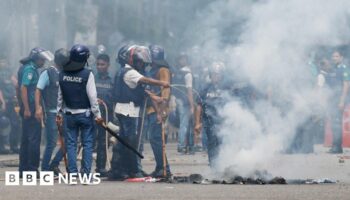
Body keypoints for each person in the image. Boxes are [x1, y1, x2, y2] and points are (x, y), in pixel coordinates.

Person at [109, 45, 169, 180]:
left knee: (123, 142)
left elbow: (141, 90)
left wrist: (154, 97)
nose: (141, 65)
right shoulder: (131, 72)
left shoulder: (124, 71)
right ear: (132, 60)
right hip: (129, 111)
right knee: (131, 143)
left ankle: (118, 170)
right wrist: (162, 83)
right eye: (139, 62)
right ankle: (133, 170)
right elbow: (146, 81)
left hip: (124, 110)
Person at [56, 44, 104, 176]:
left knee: (71, 144)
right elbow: (93, 97)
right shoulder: (87, 74)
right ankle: (86, 173)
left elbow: (60, 96)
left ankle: (72, 172)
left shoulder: (62, 73)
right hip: (85, 115)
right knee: (87, 144)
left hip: (69, 115)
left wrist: (59, 113)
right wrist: (98, 115)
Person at [17, 47, 53, 176]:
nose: (43, 62)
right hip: (31, 107)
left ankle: (23, 169)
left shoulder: (24, 67)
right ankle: (32, 169)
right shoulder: (30, 69)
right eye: (42, 59)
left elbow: (19, 86)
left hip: (27, 106)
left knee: (26, 139)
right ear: (36, 59)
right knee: (34, 139)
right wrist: (27, 108)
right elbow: (23, 88)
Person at [35, 48, 69, 174]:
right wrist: (38, 108)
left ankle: (53, 165)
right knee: (52, 143)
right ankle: (45, 169)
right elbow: (38, 89)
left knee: (71, 141)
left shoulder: (65, 73)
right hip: (52, 113)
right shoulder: (48, 73)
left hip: (66, 112)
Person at [144, 45, 172, 177]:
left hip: (157, 109)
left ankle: (164, 168)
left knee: (156, 139)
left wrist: (162, 109)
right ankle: (160, 167)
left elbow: (166, 89)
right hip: (151, 108)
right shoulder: (153, 69)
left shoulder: (163, 69)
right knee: (154, 139)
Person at [194, 62, 227, 167]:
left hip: (223, 122)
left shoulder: (226, 88)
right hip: (209, 122)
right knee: (212, 144)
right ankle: (214, 166)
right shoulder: (205, 88)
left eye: (217, 74)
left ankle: (224, 164)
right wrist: (197, 123)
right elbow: (199, 105)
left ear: (222, 75)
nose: (215, 76)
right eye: (213, 74)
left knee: (223, 144)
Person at [326, 50, 350, 154]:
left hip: (339, 100)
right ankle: (335, 146)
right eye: (333, 56)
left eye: (336, 56)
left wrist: (341, 101)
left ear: (341, 58)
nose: (334, 58)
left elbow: (346, 85)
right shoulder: (332, 69)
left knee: (337, 122)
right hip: (332, 100)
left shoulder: (344, 69)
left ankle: (338, 147)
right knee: (333, 123)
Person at [94, 53, 114, 177]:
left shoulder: (112, 81)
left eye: (102, 64)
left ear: (108, 65)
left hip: (107, 115)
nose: (100, 67)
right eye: (98, 64)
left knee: (103, 141)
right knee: (88, 141)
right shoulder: (92, 79)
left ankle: (100, 168)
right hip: (92, 115)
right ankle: (83, 169)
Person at [172, 53, 195, 154]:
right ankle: (182, 146)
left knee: (184, 124)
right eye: (182, 59)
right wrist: (192, 105)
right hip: (184, 101)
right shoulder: (188, 74)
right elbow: (189, 90)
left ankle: (187, 145)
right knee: (184, 124)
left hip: (177, 100)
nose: (183, 60)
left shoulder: (177, 73)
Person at [0, 58, 20, 154]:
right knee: (2, 123)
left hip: (12, 103)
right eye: (1, 62)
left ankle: (14, 146)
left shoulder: (9, 72)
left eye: (4, 61)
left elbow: (16, 83)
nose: (3, 63)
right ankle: (1, 147)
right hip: (3, 103)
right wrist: (2, 101)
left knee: (15, 124)